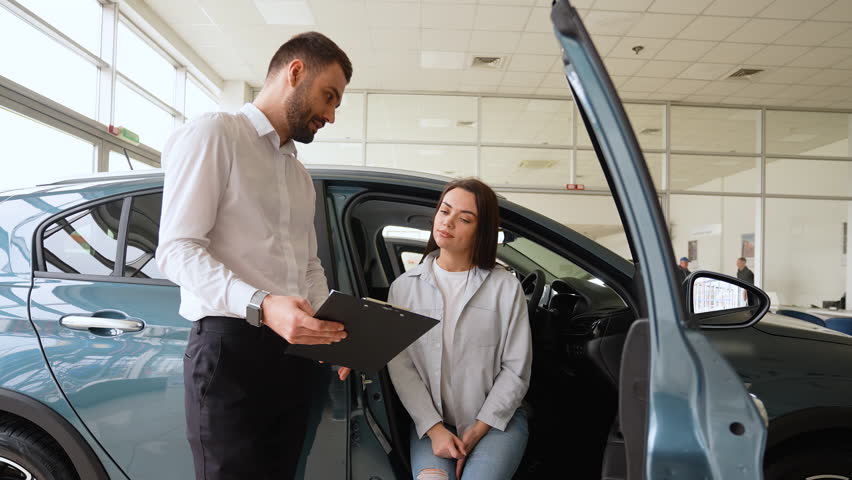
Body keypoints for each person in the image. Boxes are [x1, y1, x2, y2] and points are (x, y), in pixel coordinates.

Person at [156, 32, 352, 480]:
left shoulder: (299, 176)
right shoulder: (215, 134)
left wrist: (333, 333)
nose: (331, 115)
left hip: (293, 358)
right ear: (295, 72)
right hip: (230, 352)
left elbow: (308, 267)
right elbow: (176, 249)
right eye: (329, 96)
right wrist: (262, 304)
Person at [342, 178, 533, 480]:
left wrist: (478, 429)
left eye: (464, 218)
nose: (448, 222)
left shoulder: (505, 287)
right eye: (445, 211)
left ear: (481, 231)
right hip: (433, 425)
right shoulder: (404, 288)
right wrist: (434, 430)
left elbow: (516, 369)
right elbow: (402, 368)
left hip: (496, 422)